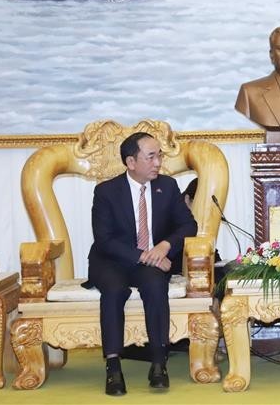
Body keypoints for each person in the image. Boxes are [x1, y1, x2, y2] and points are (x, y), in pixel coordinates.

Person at [85, 132, 197, 396]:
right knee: (113, 290)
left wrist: (165, 246)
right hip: (112, 259)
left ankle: (159, 363)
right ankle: (113, 367)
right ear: (131, 162)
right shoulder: (106, 192)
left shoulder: (167, 187)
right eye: (151, 156)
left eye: (160, 155)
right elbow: (104, 240)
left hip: (150, 263)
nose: (158, 162)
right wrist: (146, 256)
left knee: (156, 286)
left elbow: (188, 225)